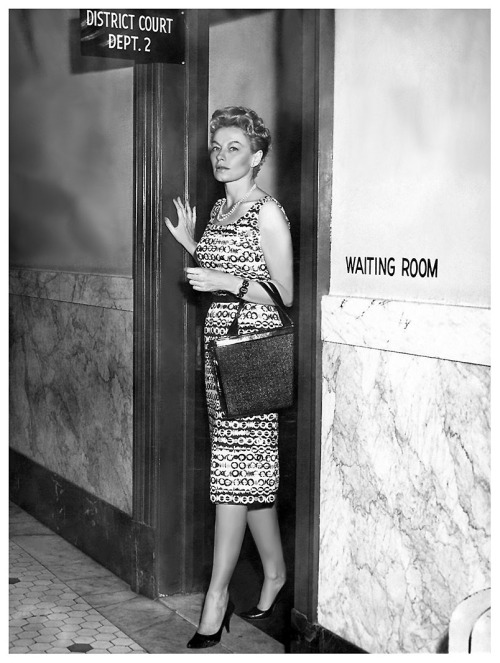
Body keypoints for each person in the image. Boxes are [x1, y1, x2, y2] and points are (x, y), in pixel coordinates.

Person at [164, 106, 293, 649]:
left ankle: (216, 600)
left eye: (233, 146)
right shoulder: (220, 208)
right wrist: (195, 243)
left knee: (231, 478)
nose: (221, 154)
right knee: (245, 473)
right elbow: (222, 271)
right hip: (220, 352)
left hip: (252, 354)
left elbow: (284, 295)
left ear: (257, 156)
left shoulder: (268, 212)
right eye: (217, 146)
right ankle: (276, 574)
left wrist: (224, 277)